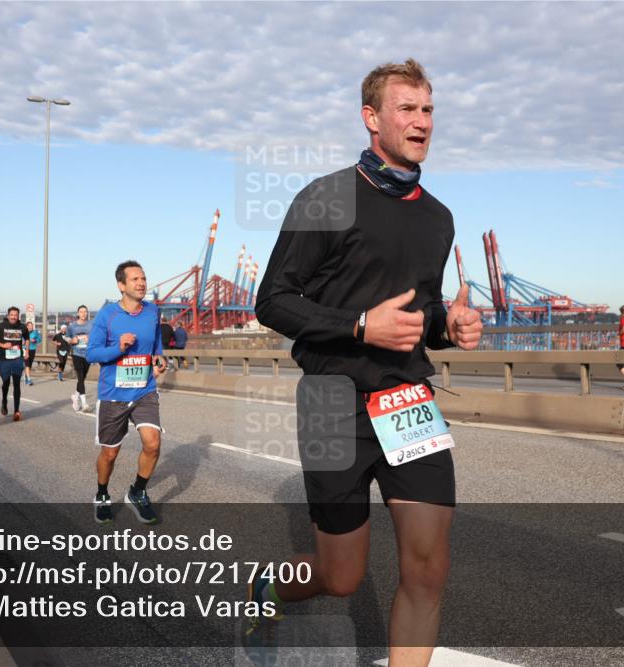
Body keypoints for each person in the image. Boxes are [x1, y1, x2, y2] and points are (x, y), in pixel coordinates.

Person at [252, 59, 483, 665]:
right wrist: (357, 326)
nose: (421, 122)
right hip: (333, 403)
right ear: (372, 117)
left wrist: (448, 327)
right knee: (342, 575)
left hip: (409, 400)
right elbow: (272, 300)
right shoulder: (326, 198)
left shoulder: (438, 218)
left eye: (428, 110)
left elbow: (421, 315)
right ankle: (269, 586)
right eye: (407, 109)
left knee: (429, 567)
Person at [86, 261, 167, 525]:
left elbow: (156, 342)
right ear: (121, 285)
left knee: (153, 444)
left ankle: (138, 492)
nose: (142, 283)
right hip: (114, 394)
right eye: (135, 279)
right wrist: (119, 348)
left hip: (144, 389)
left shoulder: (152, 311)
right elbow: (93, 353)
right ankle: (101, 494)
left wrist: (159, 357)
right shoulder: (107, 315)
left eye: (143, 278)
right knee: (110, 453)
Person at [0, 307, 30, 421]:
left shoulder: (22, 327)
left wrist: (27, 351)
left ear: (18, 316)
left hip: (17, 359)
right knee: (6, 382)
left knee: (17, 384)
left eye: (16, 315)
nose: (13, 317)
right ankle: (4, 401)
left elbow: (27, 338)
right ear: (8, 315)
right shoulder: (1, 326)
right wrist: (2, 345)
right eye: (11, 314)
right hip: (4, 360)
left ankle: (16, 411)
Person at [66, 305, 95, 412]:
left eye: (85, 312)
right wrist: (71, 341)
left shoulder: (91, 325)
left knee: (82, 378)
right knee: (80, 376)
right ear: (78, 313)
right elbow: (66, 337)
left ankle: (76, 396)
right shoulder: (72, 326)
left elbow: (96, 335)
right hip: (76, 353)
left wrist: (90, 339)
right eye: (81, 312)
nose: (83, 314)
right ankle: (84, 403)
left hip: (87, 354)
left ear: (87, 313)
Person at [24, 321, 40, 386]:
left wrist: (35, 340)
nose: (31, 327)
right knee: (27, 364)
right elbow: (20, 339)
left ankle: (26, 377)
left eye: (32, 326)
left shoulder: (35, 332)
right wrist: (23, 342)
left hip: (32, 349)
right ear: (27, 326)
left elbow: (39, 339)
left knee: (29, 365)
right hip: (25, 349)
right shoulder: (24, 332)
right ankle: (29, 379)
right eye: (29, 326)